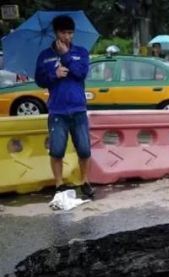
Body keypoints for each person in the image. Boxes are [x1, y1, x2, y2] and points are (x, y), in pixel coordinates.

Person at [34, 14, 94, 199]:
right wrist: (54, 74)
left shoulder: (81, 52)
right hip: (57, 111)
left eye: (70, 33)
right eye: (63, 32)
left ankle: (84, 181)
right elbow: (39, 80)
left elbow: (81, 74)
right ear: (55, 33)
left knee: (84, 150)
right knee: (57, 150)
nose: (67, 36)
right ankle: (59, 184)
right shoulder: (44, 56)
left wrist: (65, 57)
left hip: (78, 110)